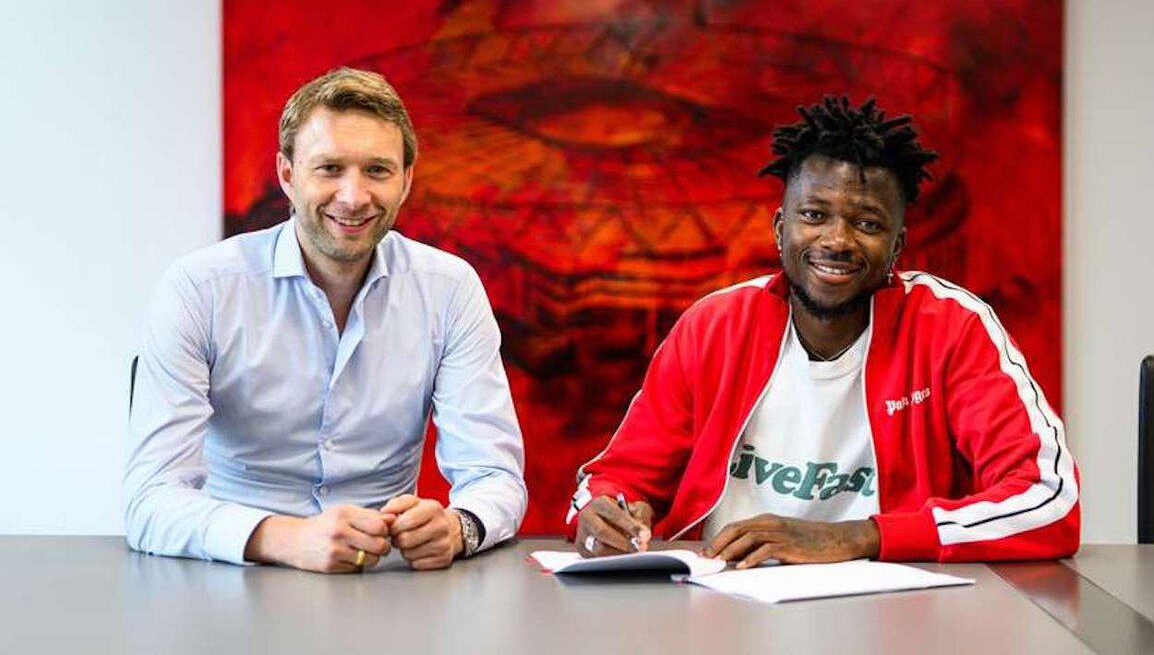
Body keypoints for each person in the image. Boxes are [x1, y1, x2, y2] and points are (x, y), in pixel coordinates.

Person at [568, 96, 1079, 566]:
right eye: (814, 215)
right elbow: (615, 479)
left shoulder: (951, 328)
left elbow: (1048, 499)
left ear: (897, 246)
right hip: (718, 601)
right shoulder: (714, 327)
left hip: (899, 611)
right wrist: (605, 512)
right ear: (780, 229)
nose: (837, 240)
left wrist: (859, 537)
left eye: (868, 224)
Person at [125, 68, 526, 573]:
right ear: (287, 175)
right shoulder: (199, 289)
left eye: (377, 170)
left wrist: (457, 526)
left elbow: (495, 476)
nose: (354, 197)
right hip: (231, 576)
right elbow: (150, 500)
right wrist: (287, 539)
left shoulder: (450, 289)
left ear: (406, 181)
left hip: (385, 580)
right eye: (330, 168)